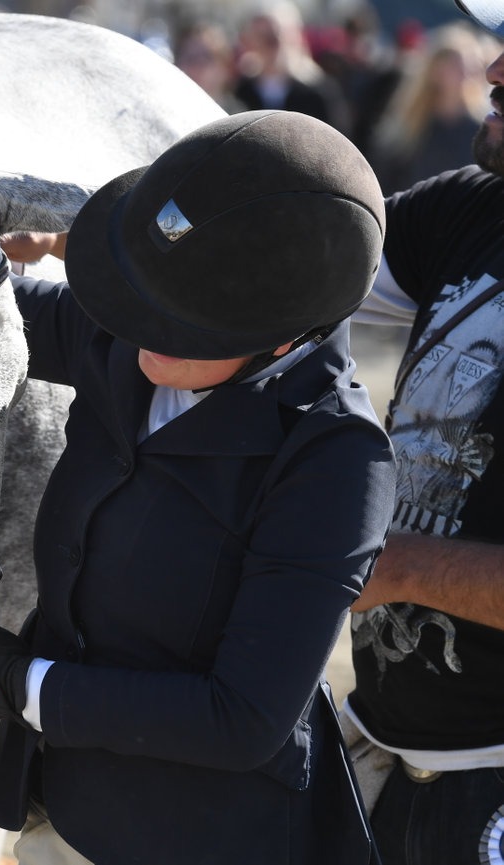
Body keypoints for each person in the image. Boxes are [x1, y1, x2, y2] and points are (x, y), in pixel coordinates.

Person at [0, 110, 396, 864]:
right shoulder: (130, 338)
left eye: (172, 320)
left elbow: (242, 716)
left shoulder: (334, 461)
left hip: (208, 840)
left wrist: (21, 686)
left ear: (284, 337)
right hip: (65, 810)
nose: (134, 325)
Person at [338, 2, 504, 862]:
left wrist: (392, 563)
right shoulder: (476, 205)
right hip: (384, 758)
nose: (495, 72)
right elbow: (285, 266)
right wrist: (86, 243)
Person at [370, 22, 496, 194]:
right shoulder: (411, 126)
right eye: (456, 65)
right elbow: (386, 182)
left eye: (470, 65)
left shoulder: (483, 130)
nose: (465, 72)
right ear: (435, 70)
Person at [233, 2, 350, 135]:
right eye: (264, 38)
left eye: (278, 36)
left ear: (296, 36)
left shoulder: (319, 93)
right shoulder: (241, 93)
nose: (274, 47)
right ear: (250, 42)